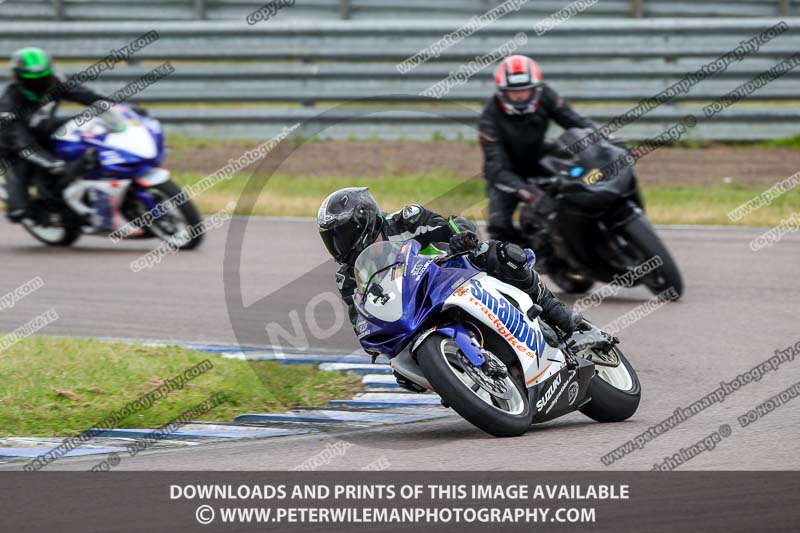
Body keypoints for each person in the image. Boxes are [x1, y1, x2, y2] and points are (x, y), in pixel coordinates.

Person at [318, 187, 585, 390]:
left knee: (499, 254)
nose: (338, 246)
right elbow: (361, 320)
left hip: (453, 275)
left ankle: (553, 308)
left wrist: (461, 237)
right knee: (402, 369)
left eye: (341, 235)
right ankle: (464, 382)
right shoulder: (348, 277)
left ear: (361, 222)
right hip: (413, 311)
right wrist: (384, 351)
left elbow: (452, 225)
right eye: (331, 239)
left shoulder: (406, 221)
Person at [478, 54, 598, 244]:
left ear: (536, 88)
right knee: (498, 226)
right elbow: (496, 167)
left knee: (585, 177)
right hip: (506, 173)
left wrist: (601, 137)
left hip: (540, 159)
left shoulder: (547, 96)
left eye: (525, 90)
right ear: (502, 91)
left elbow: (575, 121)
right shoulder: (489, 119)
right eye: (513, 91)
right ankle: (525, 260)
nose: (519, 95)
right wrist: (527, 192)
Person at [1, 47, 107, 223]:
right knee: (18, 211)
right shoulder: (8, 104)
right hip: (13, 149)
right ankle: (41, 212)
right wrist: (51, 162)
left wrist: (121, 107)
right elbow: (22, 143)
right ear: (17, 78)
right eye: (30, 80)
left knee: (87, 130)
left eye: (42, 79)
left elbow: (87, 95)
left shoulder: (57, 82)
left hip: (45, 130)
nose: (37, 84)